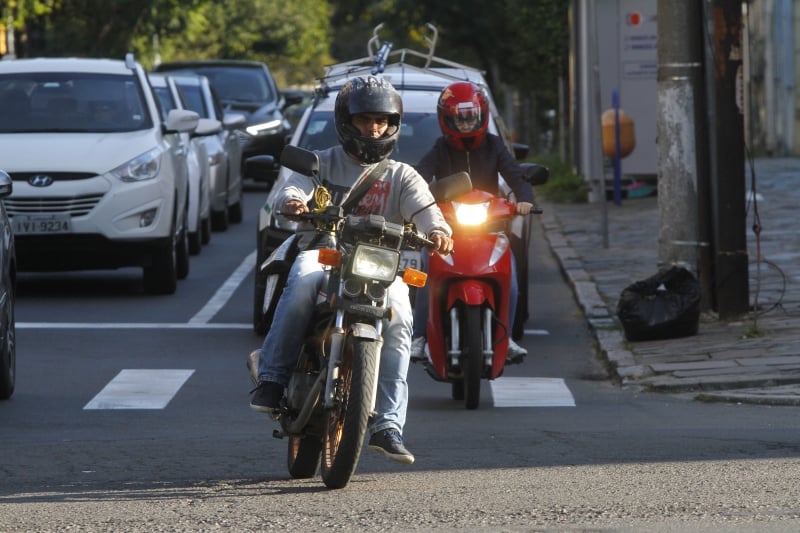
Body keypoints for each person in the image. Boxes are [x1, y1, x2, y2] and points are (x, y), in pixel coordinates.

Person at [249, 76, 454, 465]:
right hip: (324, 252)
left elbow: (427, 211)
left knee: (401, 320)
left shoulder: (402, 175)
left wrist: (439, 232)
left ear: (393, 123)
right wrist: (294, 204)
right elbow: (293, 189)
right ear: (347, 121)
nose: (373, 128)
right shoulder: (320, 162)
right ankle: (273, 379)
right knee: (303, 283)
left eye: (381, 120)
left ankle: (388, 424)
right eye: (364, 120)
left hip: (380, 266)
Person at [411, 81, 536, 363]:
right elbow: (419, 176)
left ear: (482, 116)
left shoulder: (494, 145)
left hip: (490, 228)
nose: (466, 124)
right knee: (426, 271)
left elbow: (516, 175)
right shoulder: (440, 148)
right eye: (459, 118)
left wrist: (524, 199)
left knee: (511, 279)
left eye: (471, 118)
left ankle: (509, 337)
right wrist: (415, 199)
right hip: (446, 231)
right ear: (446, 119)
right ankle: (420, 337)